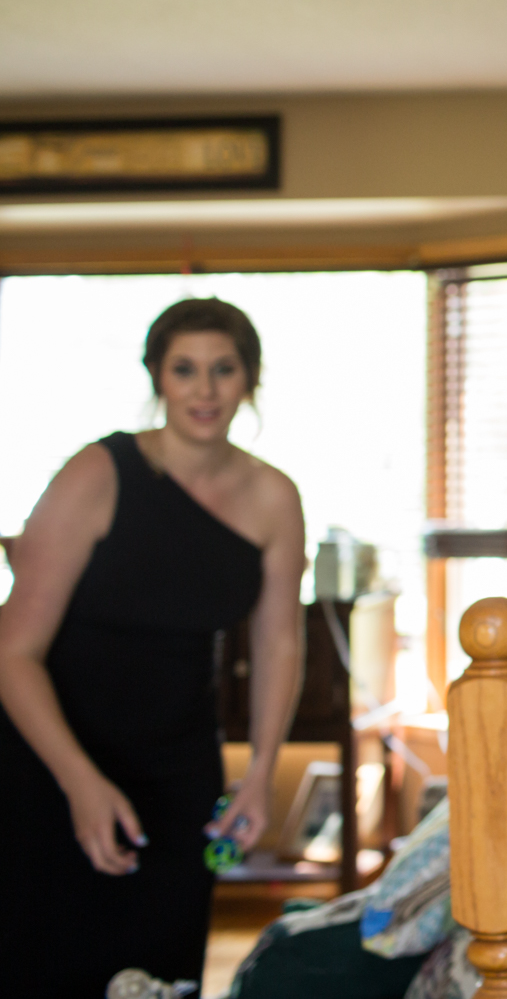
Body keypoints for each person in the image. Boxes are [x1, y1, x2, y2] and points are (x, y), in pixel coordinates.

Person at [0, 298, 305, 996]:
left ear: (249, 378)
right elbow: (12, 651)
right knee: (46, 961)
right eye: (185, 369)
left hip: (178, 764)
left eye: (223, 369)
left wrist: (260, 769)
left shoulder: (273, 497)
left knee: (162, 967)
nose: (205, 389)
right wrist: (78, 780)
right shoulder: (97, 474)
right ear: (158, 378)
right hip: (51, 755)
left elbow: (279, 640)